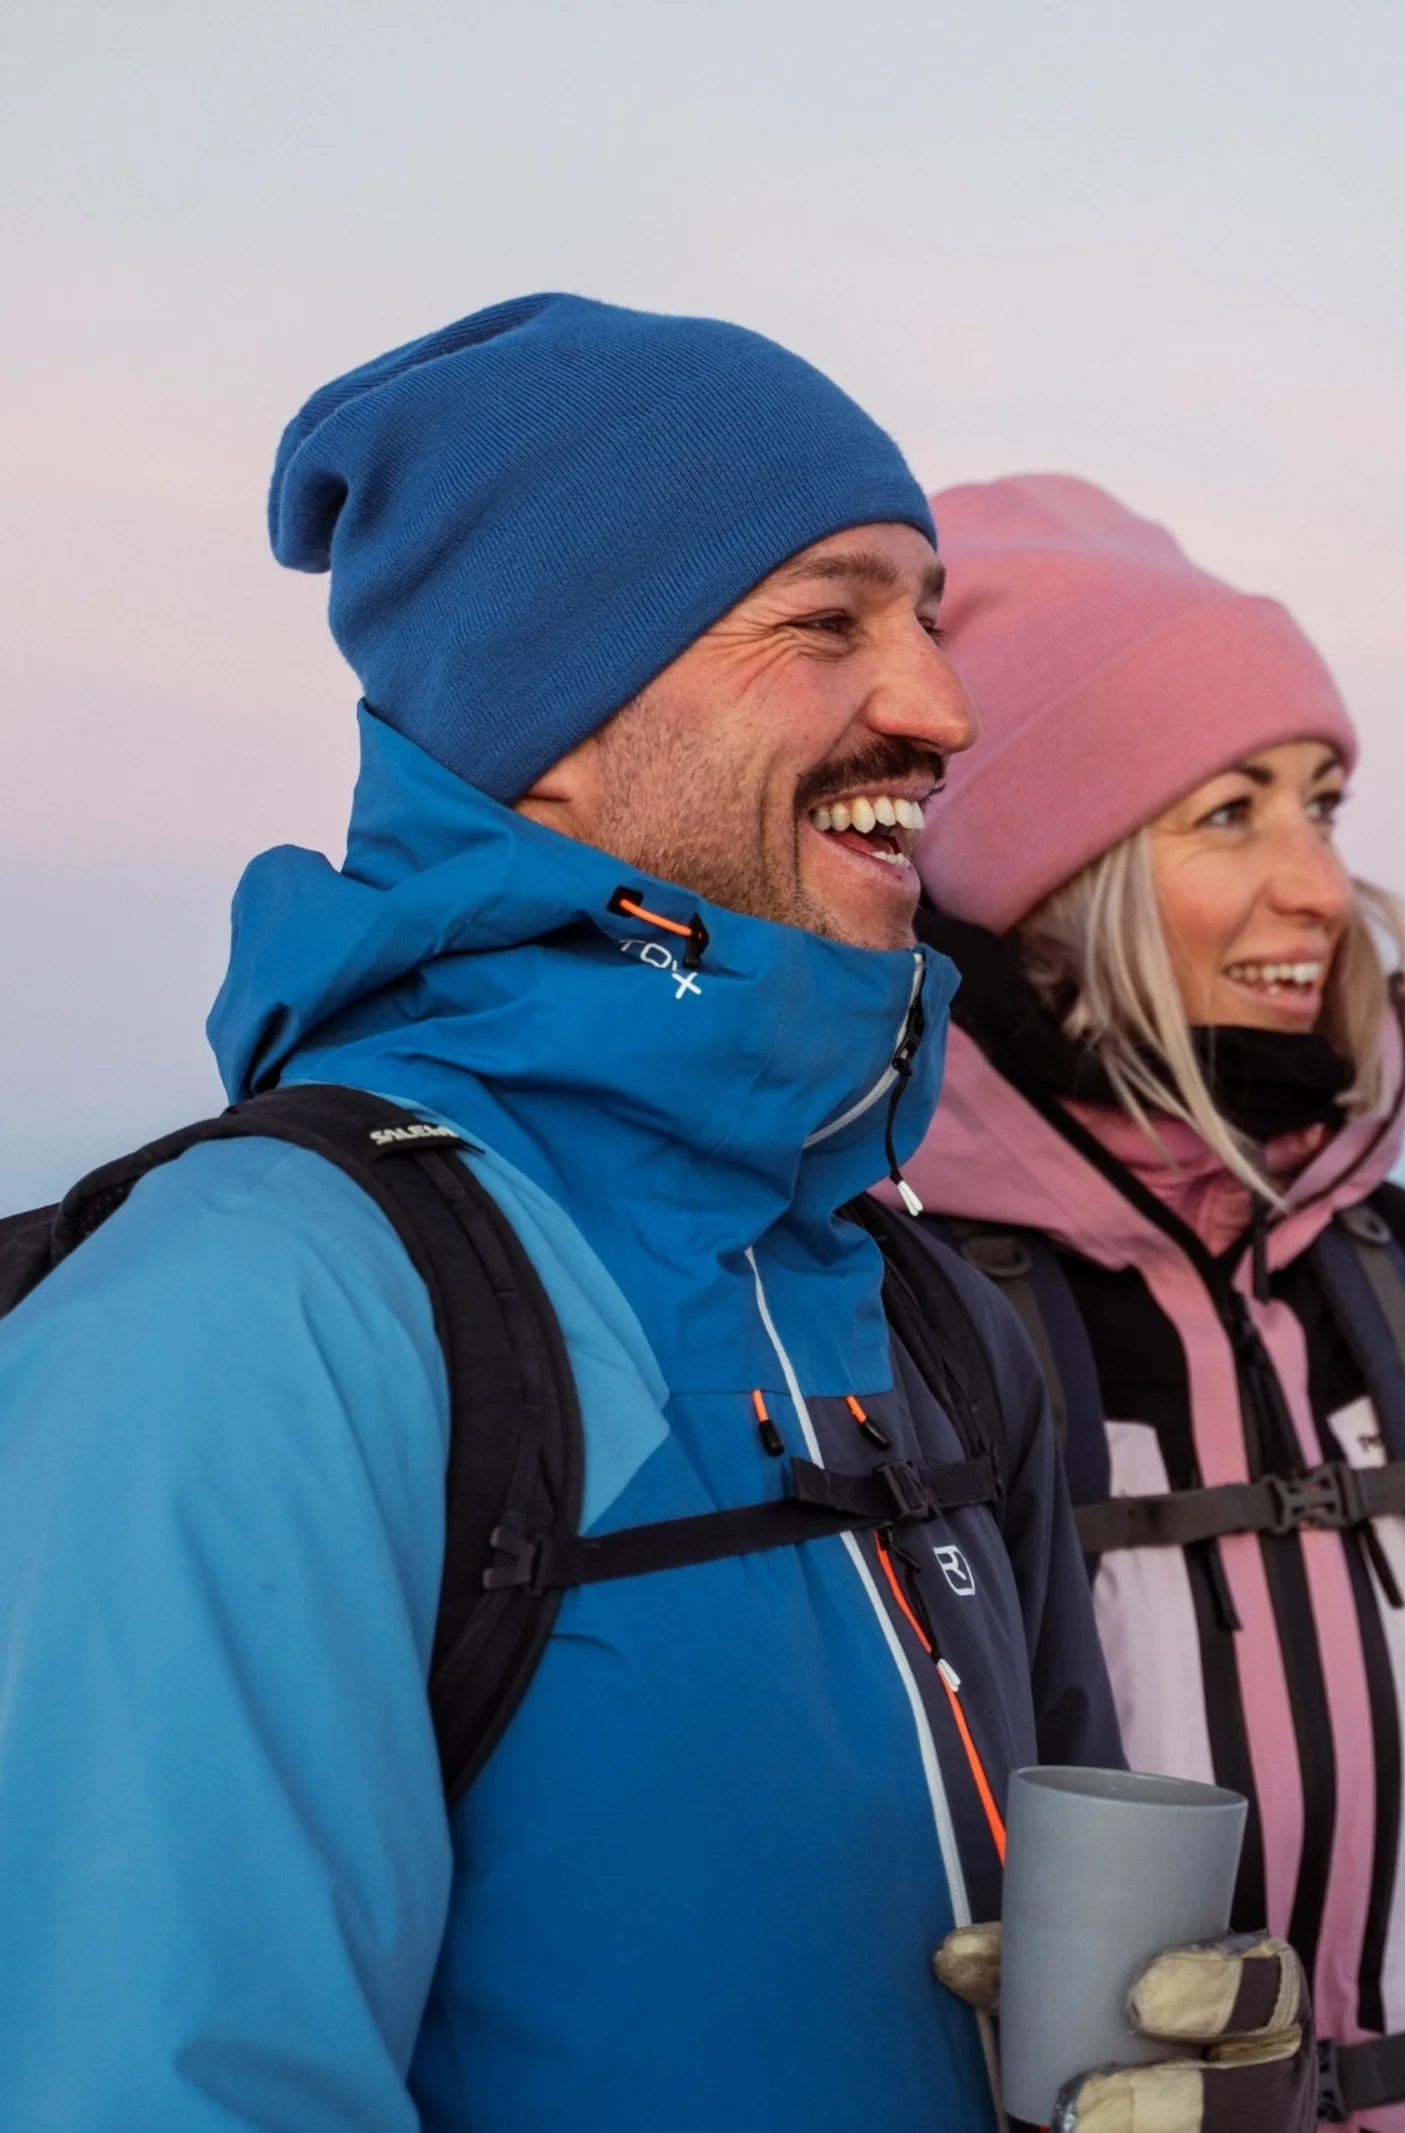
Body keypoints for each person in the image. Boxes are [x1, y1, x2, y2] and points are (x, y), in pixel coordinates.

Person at [0, 306, 1312, 2132]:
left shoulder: (909, 1304)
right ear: (553, 710)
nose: (941, 704)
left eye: (925, 613)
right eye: (829, 618)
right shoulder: (260, 1315)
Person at [900, 473, 1405, 2131]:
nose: (1320, 889)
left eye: (1321, 804)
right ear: (1047, 878)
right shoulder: (897, 1305)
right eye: (1229, 814)